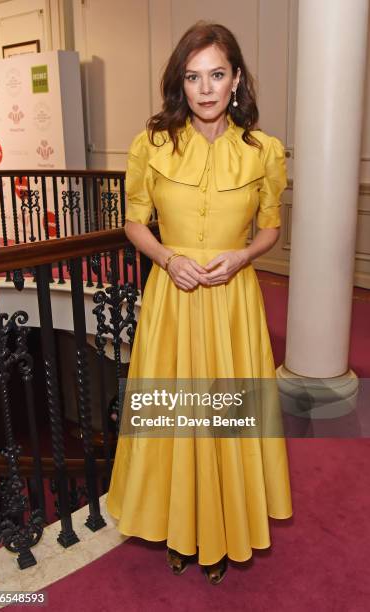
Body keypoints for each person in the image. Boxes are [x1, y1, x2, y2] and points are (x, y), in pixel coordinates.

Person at [106, 21, 293, 584]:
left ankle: (224, 530)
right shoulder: (152, 145)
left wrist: (241, 258)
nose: (206, 88)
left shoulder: (264, 151)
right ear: (179, 84)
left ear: (236, 80)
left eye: (216, 74)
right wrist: (167, 258)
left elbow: (270, 230)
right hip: (174, 297)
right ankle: (178, 527)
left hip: (232, 299)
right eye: (193, 76)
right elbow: (134, 224)